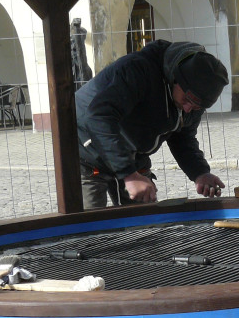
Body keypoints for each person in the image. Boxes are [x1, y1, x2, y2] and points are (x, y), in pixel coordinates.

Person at [75, 40, 228, 207]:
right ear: (175, 79)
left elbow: (182, 137)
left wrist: (200, 173)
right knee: (93, 224)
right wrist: (129, 175)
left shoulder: (196, 98)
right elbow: (98, 117)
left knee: (143, 219)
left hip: (133, 154)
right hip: (88, 150)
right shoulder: (137, 70)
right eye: (186, 100)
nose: (188, 108)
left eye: (197, 106)